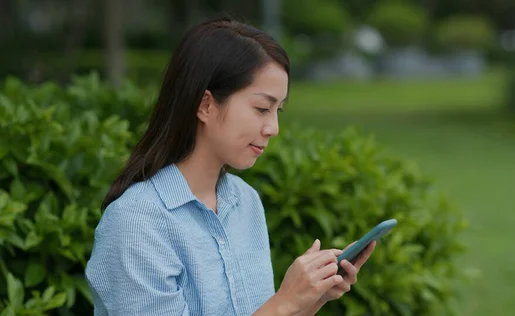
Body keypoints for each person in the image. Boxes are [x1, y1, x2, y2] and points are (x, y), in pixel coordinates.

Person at [85, 17, 376, 316]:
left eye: (278, 110)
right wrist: (285, 301)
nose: (273, 128)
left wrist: (311, 299)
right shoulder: (136, 223)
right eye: (262, 108)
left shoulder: (245, 201)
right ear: (205, 105)